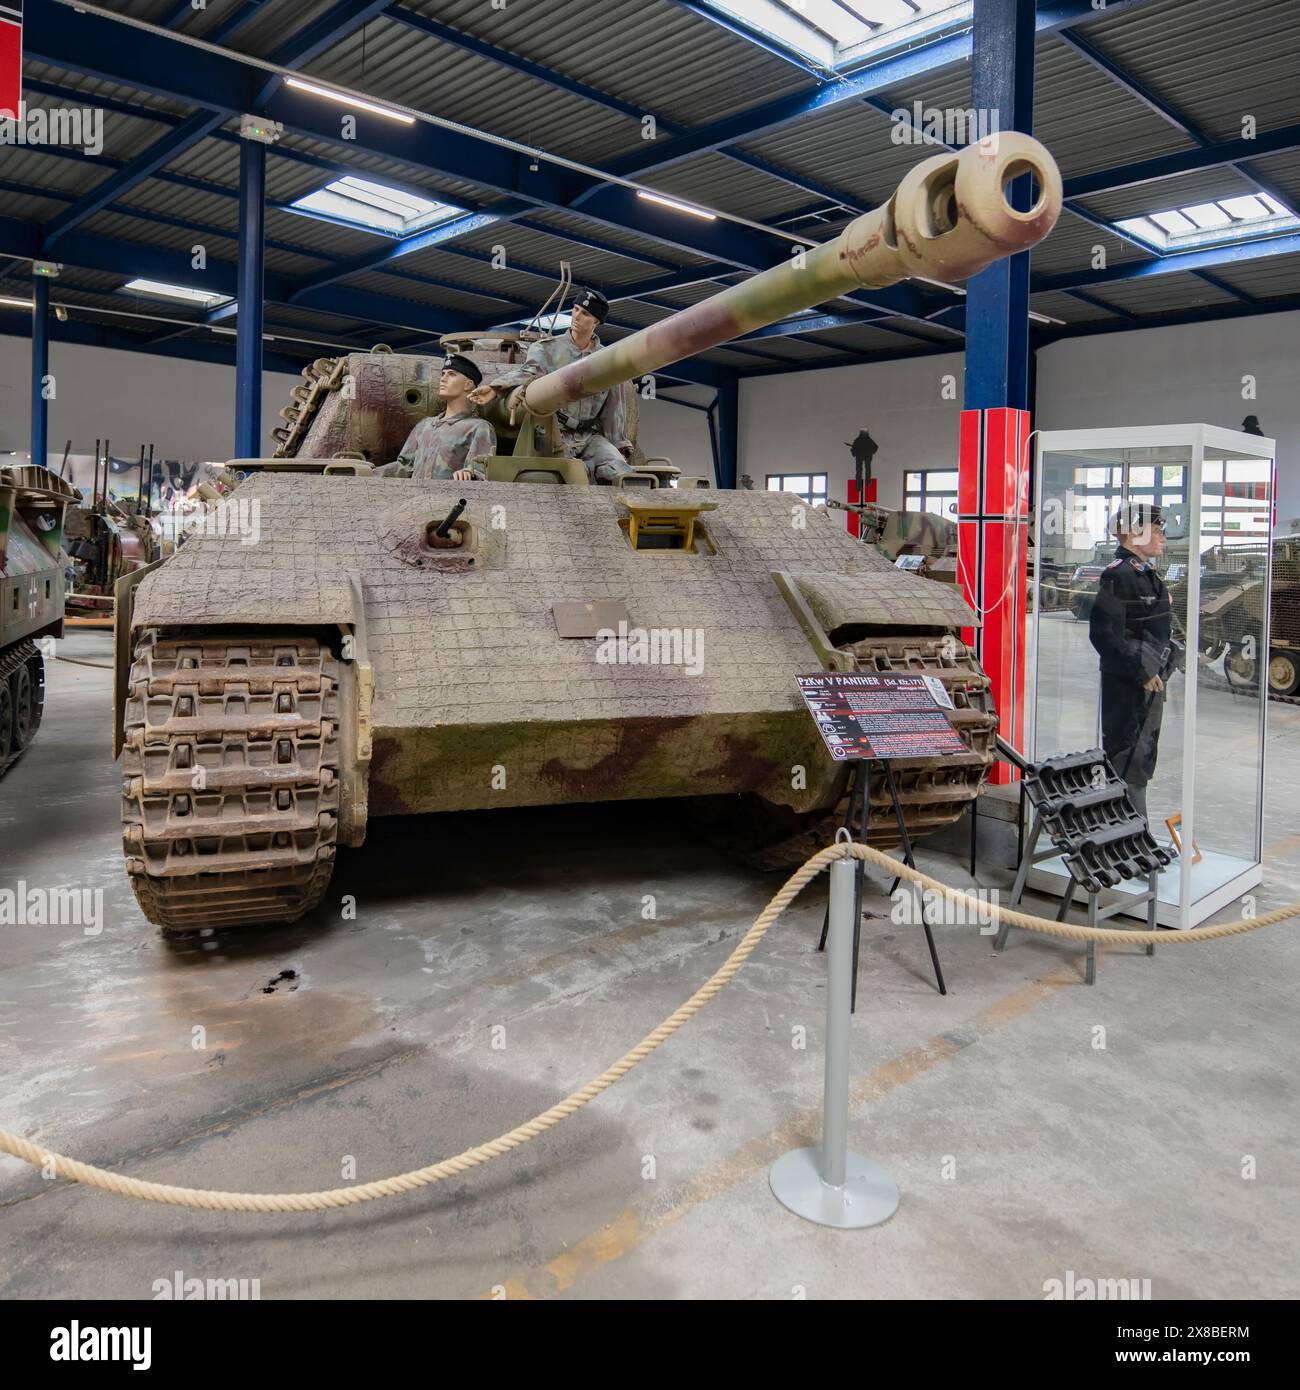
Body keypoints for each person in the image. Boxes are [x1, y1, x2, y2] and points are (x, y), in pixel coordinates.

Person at [469, 287, 635, 484]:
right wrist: (495, 388)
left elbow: (614, 408)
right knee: (565, 477)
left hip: (589, 437)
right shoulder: (547, 349)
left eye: (585, 314)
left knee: (621, 473)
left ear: (596, 321)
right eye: (575, 309)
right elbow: (528, 372)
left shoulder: (607, 359)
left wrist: (619, 445)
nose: (577, 316)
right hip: (554, 434)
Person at [1088, 502, 1174, 821]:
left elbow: (1154, 630)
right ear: (1134, 534)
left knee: (1143, 757)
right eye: (1155, 530)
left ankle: (1133, 832)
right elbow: (1105, 634)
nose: (1162, 537)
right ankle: (1129, 834)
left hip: (1149, 682)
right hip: (1128, 685)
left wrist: (1158, 668)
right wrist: (1142, 670)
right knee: (1127, 757)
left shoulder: (1146, 575)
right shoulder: (1120, 576)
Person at [378, 354, 495, 480]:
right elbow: (405, 467)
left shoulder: (478, 427)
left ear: (468, 385)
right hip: (415, 497)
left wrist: (469, 473)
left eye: (451, 374)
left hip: (450, 497)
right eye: (443, 374)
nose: (443, 379)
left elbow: (480, 470)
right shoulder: (425, 426)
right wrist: (370, 471)